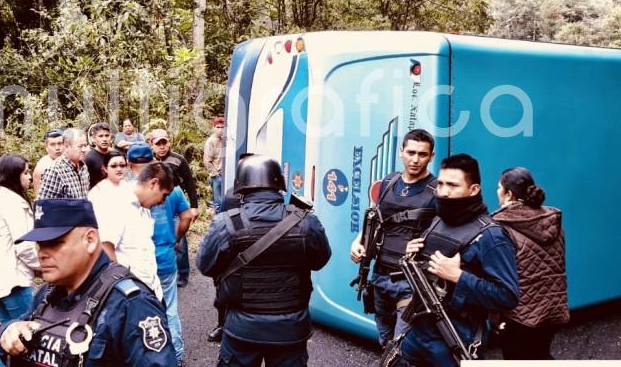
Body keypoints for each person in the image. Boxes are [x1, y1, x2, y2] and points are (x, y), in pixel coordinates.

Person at [0, 199, 177, 367]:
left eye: (54, 243)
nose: (42, 253)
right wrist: (8, 331)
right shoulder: (47, 294)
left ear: (90, 240)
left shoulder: (131, 304)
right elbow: (14, 332)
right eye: (40, 245)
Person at [196, 155, 332, 366]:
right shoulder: (305, 221)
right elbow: (320, 260)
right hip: (291, 329)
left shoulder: (228, 223)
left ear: (241, 186)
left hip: (242, 329)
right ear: (279, 184)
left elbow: (205, 265)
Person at [396, 154, 519, 367]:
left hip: (456, 338)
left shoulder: (492, 236)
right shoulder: (438, 220)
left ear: (473, 190)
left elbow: (507, 296)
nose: (443, 192)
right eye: (441, 184)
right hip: (417, 331)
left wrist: (458, 276)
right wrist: (412, 254)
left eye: (452, 185)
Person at [349, 129, 437, 347]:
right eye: (411, 152)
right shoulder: (389, 181)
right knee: (385, 339)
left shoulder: (436, 191)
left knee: (402, 345)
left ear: (431, 156)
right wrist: (359, 241)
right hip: (380, 274)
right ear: (401, 152)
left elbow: (448, 234)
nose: (415, 159)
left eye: (423, 154)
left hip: (411, 280)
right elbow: (376, 218)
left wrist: (427, 244)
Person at [492, 167, 569, 360]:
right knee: (541, 355)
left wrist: (494, 318)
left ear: (508, 194)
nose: (497, 192)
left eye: (499, 187)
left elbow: (499, 276)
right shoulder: (553, 221)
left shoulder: (502, 227)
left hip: (519, 316)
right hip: (553, 309)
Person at [127, 143, 192, 364]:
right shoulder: (167, 186)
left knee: (139, 315)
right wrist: (177, 238)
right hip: (164, 259)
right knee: (169, 310)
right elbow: (187, 216)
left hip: (137, 267)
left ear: (129, 164)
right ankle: (175, 356)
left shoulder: (126, 190)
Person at [0, 154, 41, 355]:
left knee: (9, 338)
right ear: (13, 176)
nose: (29, 177)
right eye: (25, 173)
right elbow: (24, 245)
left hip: (0, 279)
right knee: (25, 339)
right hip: (14, 280)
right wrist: (42, 268)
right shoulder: (13, 203)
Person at [93, 162, 174, 301]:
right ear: (153, 183)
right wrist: (122, 289)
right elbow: (106, 247)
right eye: (164, 195)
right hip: (129, 296)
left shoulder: (144, 208)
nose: (162, 202)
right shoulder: (118, 203)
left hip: (149, 290)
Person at [151, 128, 199, 288]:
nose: (162, 147)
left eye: (165, 143)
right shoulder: (149, 160)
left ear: (169, 142)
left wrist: (194, 206)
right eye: (158, 144)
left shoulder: (178, 159)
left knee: (180, 237)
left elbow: (190, 183)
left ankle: (182, 273)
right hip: (156, 203)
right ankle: (159, 271)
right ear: (152, 145)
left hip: (176, 200)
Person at [36, 128, 90, 200]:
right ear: (67, 147)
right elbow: (42, 206)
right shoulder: (54, 171)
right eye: (80, 146)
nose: (84, 150)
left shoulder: (83, 167)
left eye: (85, 146)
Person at [203, 116, 225, 213]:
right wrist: (215, 174)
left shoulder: (225, 140)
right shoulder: (210, 142)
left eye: (222, 127)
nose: (220, 130)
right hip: (217, 175)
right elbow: (207, 161)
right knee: (218, 202)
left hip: (225, 174)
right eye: (218, 127)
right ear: (214, 128)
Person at [33, 129, 64, 196]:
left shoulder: (70, 160)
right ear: (46, 148)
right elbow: (39, 198)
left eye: (60, 143)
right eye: (52, 144)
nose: (57, 148)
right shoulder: (42, 167)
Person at [84, 123, 112, 189]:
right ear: (93, 139)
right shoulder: (89, 158)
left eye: (107, 135)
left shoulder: (115, 155)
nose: (104, 139)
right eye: (100, 136)